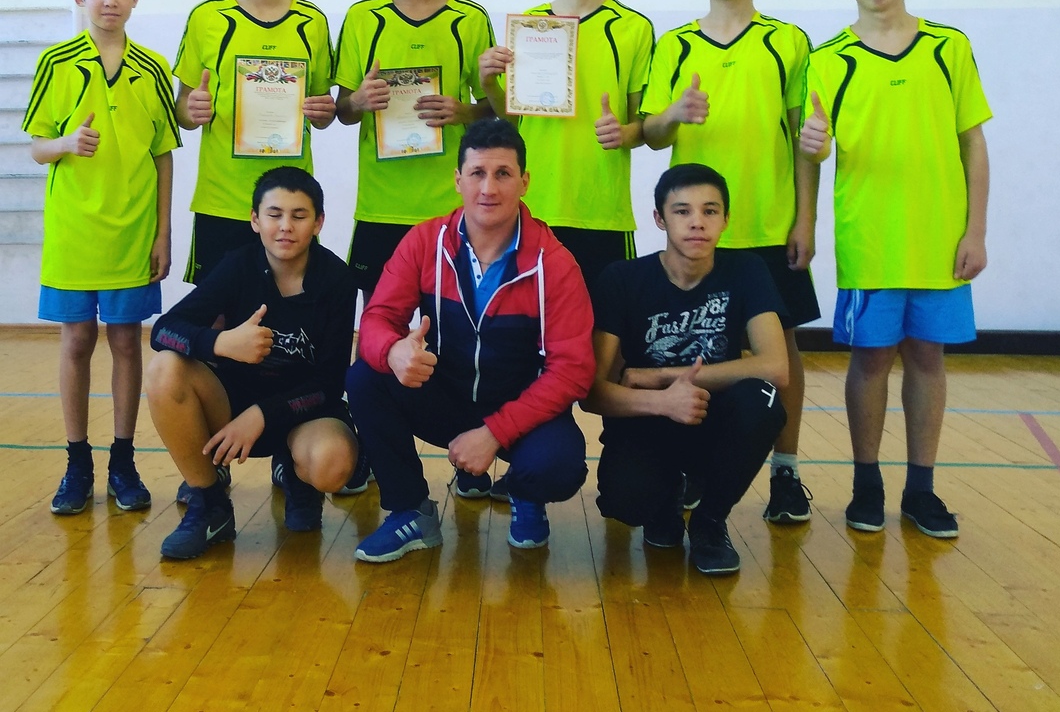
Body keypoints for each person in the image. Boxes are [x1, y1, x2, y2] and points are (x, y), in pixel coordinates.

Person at [800, 0, 991, 538]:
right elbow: (812, 151)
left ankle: (921, 489)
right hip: (870, 239)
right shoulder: (828, 59)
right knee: (871, 359)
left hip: (939, 238)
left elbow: (973, 142)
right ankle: (867, 486)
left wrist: (976, 230)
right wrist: (813, 146)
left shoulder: (948, 47)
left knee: (929, 358)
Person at [640, 0, 820, 525]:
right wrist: (674, 113)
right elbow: (653, 134)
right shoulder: (675, 45)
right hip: (696, 231)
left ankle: (786, 472)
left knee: (781, 350)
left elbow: (804, 139)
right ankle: (695, 466)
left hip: (767, 225)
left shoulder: (787, 41)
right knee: (697, 346)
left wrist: (804, 221)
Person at [347, 118, 594, 563]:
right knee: (365, 377)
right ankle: (410, 510)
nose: (488, 188)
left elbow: (573, 371)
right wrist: (393, 350)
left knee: (557, 465)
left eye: (503, 174)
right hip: (447, 399)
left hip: (522, 410)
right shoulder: (424, 241)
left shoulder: (555, 263)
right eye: (477, 173)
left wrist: (495, 433)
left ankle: (525, 494)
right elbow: (378, 317)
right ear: (458, 179)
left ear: (524, 181)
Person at [24, 0, 178, 516]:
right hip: (74, 231)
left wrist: (162, 232)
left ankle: (123, 461)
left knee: (126, 342)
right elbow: (37, 148)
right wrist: (66, 143)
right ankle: (76, 462)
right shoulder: (56, 62)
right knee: (76, 341)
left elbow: (163, 155)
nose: (109, 0)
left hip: (133, 231)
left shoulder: (154, 68)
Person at [581, 164, 788, 575]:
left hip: (712, 417)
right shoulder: (623, 278)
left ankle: (710, 521)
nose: (697, 222)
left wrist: (661, 377)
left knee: (762, 401)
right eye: (682, 211)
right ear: (659, 219)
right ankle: (664, 502)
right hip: (647, 419)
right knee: (626, 501)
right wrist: (663, 402)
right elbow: (591, 392)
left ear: (726, 219)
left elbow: (776, 367)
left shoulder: (747, 271)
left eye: (710, 211)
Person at [146, 167, 358, 559]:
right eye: (274, 214)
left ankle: (299, 479)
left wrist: (263, 414)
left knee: (333, 463)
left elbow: (330, 383)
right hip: (233, 405)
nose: (285, 226)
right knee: (165, 369)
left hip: (305, 411)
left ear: (318, 223)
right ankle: (210, 504)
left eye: (299, 215)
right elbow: (163, 330)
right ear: (255, 220)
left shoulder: (337, 280)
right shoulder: (237, 265)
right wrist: (220, 342)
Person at [478, 0, 653, 296]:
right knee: (531, 318)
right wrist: (489, 82)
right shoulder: (529, 25)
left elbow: (644, 126)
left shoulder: (633, 28)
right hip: (534, 204)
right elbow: (514, 121)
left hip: (602, 210)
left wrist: (623, 133)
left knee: (605, 323)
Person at [334, 0, 494, 297]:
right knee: (378, 319)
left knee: (449, 321)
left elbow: (496, 110)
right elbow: (343, 110)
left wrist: (463, 111)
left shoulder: (470, 19)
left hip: (449, 203)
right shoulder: (362, 17)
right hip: (380, 204)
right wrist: (358, 102)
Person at [173, 0, 336, 284]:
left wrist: (325, 112)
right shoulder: (206, 18)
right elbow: (182, 109)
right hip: (222, 200)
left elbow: (323, 111)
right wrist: (191, 111)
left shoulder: (312, 21)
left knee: (290, 307)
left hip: (289, 206)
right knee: (216, 311)